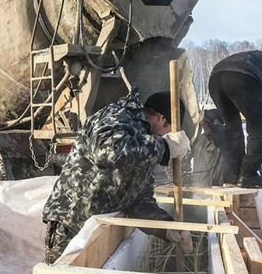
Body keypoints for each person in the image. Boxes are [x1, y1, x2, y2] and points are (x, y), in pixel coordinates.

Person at [42, 89, 192, 264]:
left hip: (98, 229)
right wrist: (163, 147)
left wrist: (167, 227)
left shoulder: (144, 142)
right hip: (71, 225)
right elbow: (108, 151)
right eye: (168, 133)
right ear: (161, 119)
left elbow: (139, 201)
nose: (163, 138)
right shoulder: (119, 117)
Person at [208, 50, 262, 189]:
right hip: (241, 77)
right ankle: (249, 175)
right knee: (259, 128)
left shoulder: (257, 58)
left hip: (216, 78)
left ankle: (231, 176)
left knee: (232, 128)